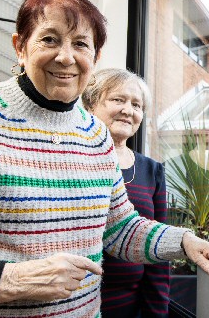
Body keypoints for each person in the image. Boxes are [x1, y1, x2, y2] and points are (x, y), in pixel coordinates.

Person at [0, 0, 209, 318]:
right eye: (50, 39)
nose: (66, 57)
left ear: (95, 58)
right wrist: (10, 280)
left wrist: (184, 242)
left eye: (81, 44)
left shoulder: (96, 135)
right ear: (20, 47)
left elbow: (119, 228)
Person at [82, 68, 169, 317]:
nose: (128, 110)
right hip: (75, 304)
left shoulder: (152, 171)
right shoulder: (72, 159)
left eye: (136, 105)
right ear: (90, 105)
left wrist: (156, 313)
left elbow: (159, 250)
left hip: (130, 308)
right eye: (118, 100)